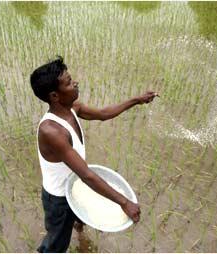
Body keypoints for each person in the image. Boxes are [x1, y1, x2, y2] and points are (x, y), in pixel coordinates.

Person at [30, 56, 159, 253]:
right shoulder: (52, 131)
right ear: (55, 96)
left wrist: (137, 100)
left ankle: (78, 227)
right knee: (56, 245)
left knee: (80, 219)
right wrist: (124, 203)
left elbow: (104, 114)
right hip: (59, 199)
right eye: (68, 82)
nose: (75, 83)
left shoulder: (73, 108)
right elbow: (87, 175)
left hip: (75, 185)